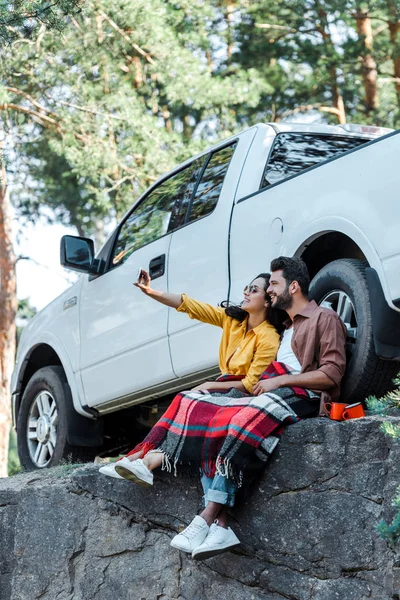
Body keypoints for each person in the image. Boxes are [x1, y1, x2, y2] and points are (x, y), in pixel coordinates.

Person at [102, 257, 347, 561]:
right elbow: (194, 307)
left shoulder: (325, 318)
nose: (269, 290)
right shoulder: (285, 327)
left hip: (300, 394)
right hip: (272, 390)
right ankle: (218, 524)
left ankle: (206, 516)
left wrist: (280, 380)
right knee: (198, 406)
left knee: (244, 418)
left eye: (273, 284)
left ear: (293, 286)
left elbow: (332, 375)